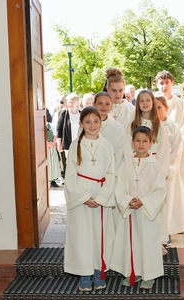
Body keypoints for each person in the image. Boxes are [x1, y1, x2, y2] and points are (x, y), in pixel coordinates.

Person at [63, 106, 115, 292]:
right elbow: (69, 176)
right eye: (88, 122)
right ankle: (84, 273)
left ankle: (98, 271)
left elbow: (111, 173)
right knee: (82, 236)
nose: (92, 125)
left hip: (101, 195)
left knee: (100, 235)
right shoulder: (75, 144)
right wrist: (83, 197)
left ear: (101, 122)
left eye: (96, 121)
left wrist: (101, 197)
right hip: (81, 196)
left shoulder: (107, 145)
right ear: (81, 124)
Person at [110, 126, 167, 290]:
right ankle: (130, 272)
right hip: (129, 210)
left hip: (147, 211)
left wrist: (143, 201)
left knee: (147, 242)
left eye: (145, 141)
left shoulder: (155, 166)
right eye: (137, 141)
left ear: (150, 143)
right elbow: (119, 185)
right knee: (130, 242)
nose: (141, 144)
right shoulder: (126, 163)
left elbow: (160, 190)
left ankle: (149, 275)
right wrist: (127, 200)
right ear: (132, 143)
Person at [155, 70, 184, 234]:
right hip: (158, 152)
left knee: (177, 189)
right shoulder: (154, 99)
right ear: (157, 84)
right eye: (161, 83)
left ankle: (178, 224)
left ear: (172, 83)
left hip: (176, 150)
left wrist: (181, 149)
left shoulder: (180, 103)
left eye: (166, 83)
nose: (164, 86)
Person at [94, 91, 127, 226]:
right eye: (100, 103)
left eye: (107, 103)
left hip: (112, 175)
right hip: (92, 176)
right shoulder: (86, 126)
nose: (103, 106)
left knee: (111, 219)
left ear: (111, 105)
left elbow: (121, 153)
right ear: (94, 104)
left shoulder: (117, 128)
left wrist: (114, 173)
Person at [155, 93, 183, 247]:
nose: (157, 111)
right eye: (155, 108)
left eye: (159, 107)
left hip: (168, 171)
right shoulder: (151, 125)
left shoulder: (173, 127)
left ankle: (167, 232)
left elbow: (177, 149)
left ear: (166, 108)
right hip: (154, 169)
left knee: (168, 202)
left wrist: (169, 169)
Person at [130, 89, 170, 177]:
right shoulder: (133, 124)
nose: (145, 103)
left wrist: (161, 173)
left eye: (148, 100)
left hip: (153, 167)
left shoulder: (159, 126)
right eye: (142, 101)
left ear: (153, 102)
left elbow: (163, 151)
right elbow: (127, 147)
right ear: (138, 104)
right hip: (135, 166)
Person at [104, 67, 135, 133]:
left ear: (124, 89)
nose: (118, 94)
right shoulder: (101, 109)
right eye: (114, 90)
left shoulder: (132, 110)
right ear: (107, 89)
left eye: (120, 90)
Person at [56, 92, 81, 166]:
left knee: (80, 162)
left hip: (80, 142)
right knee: (70, 162)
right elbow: (59, 128)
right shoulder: (64, 113)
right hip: (68, 142)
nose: (71, 104)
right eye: (69, 102)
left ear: (77, 103)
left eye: (73, 102)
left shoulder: (81, 113)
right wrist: (59, 143)